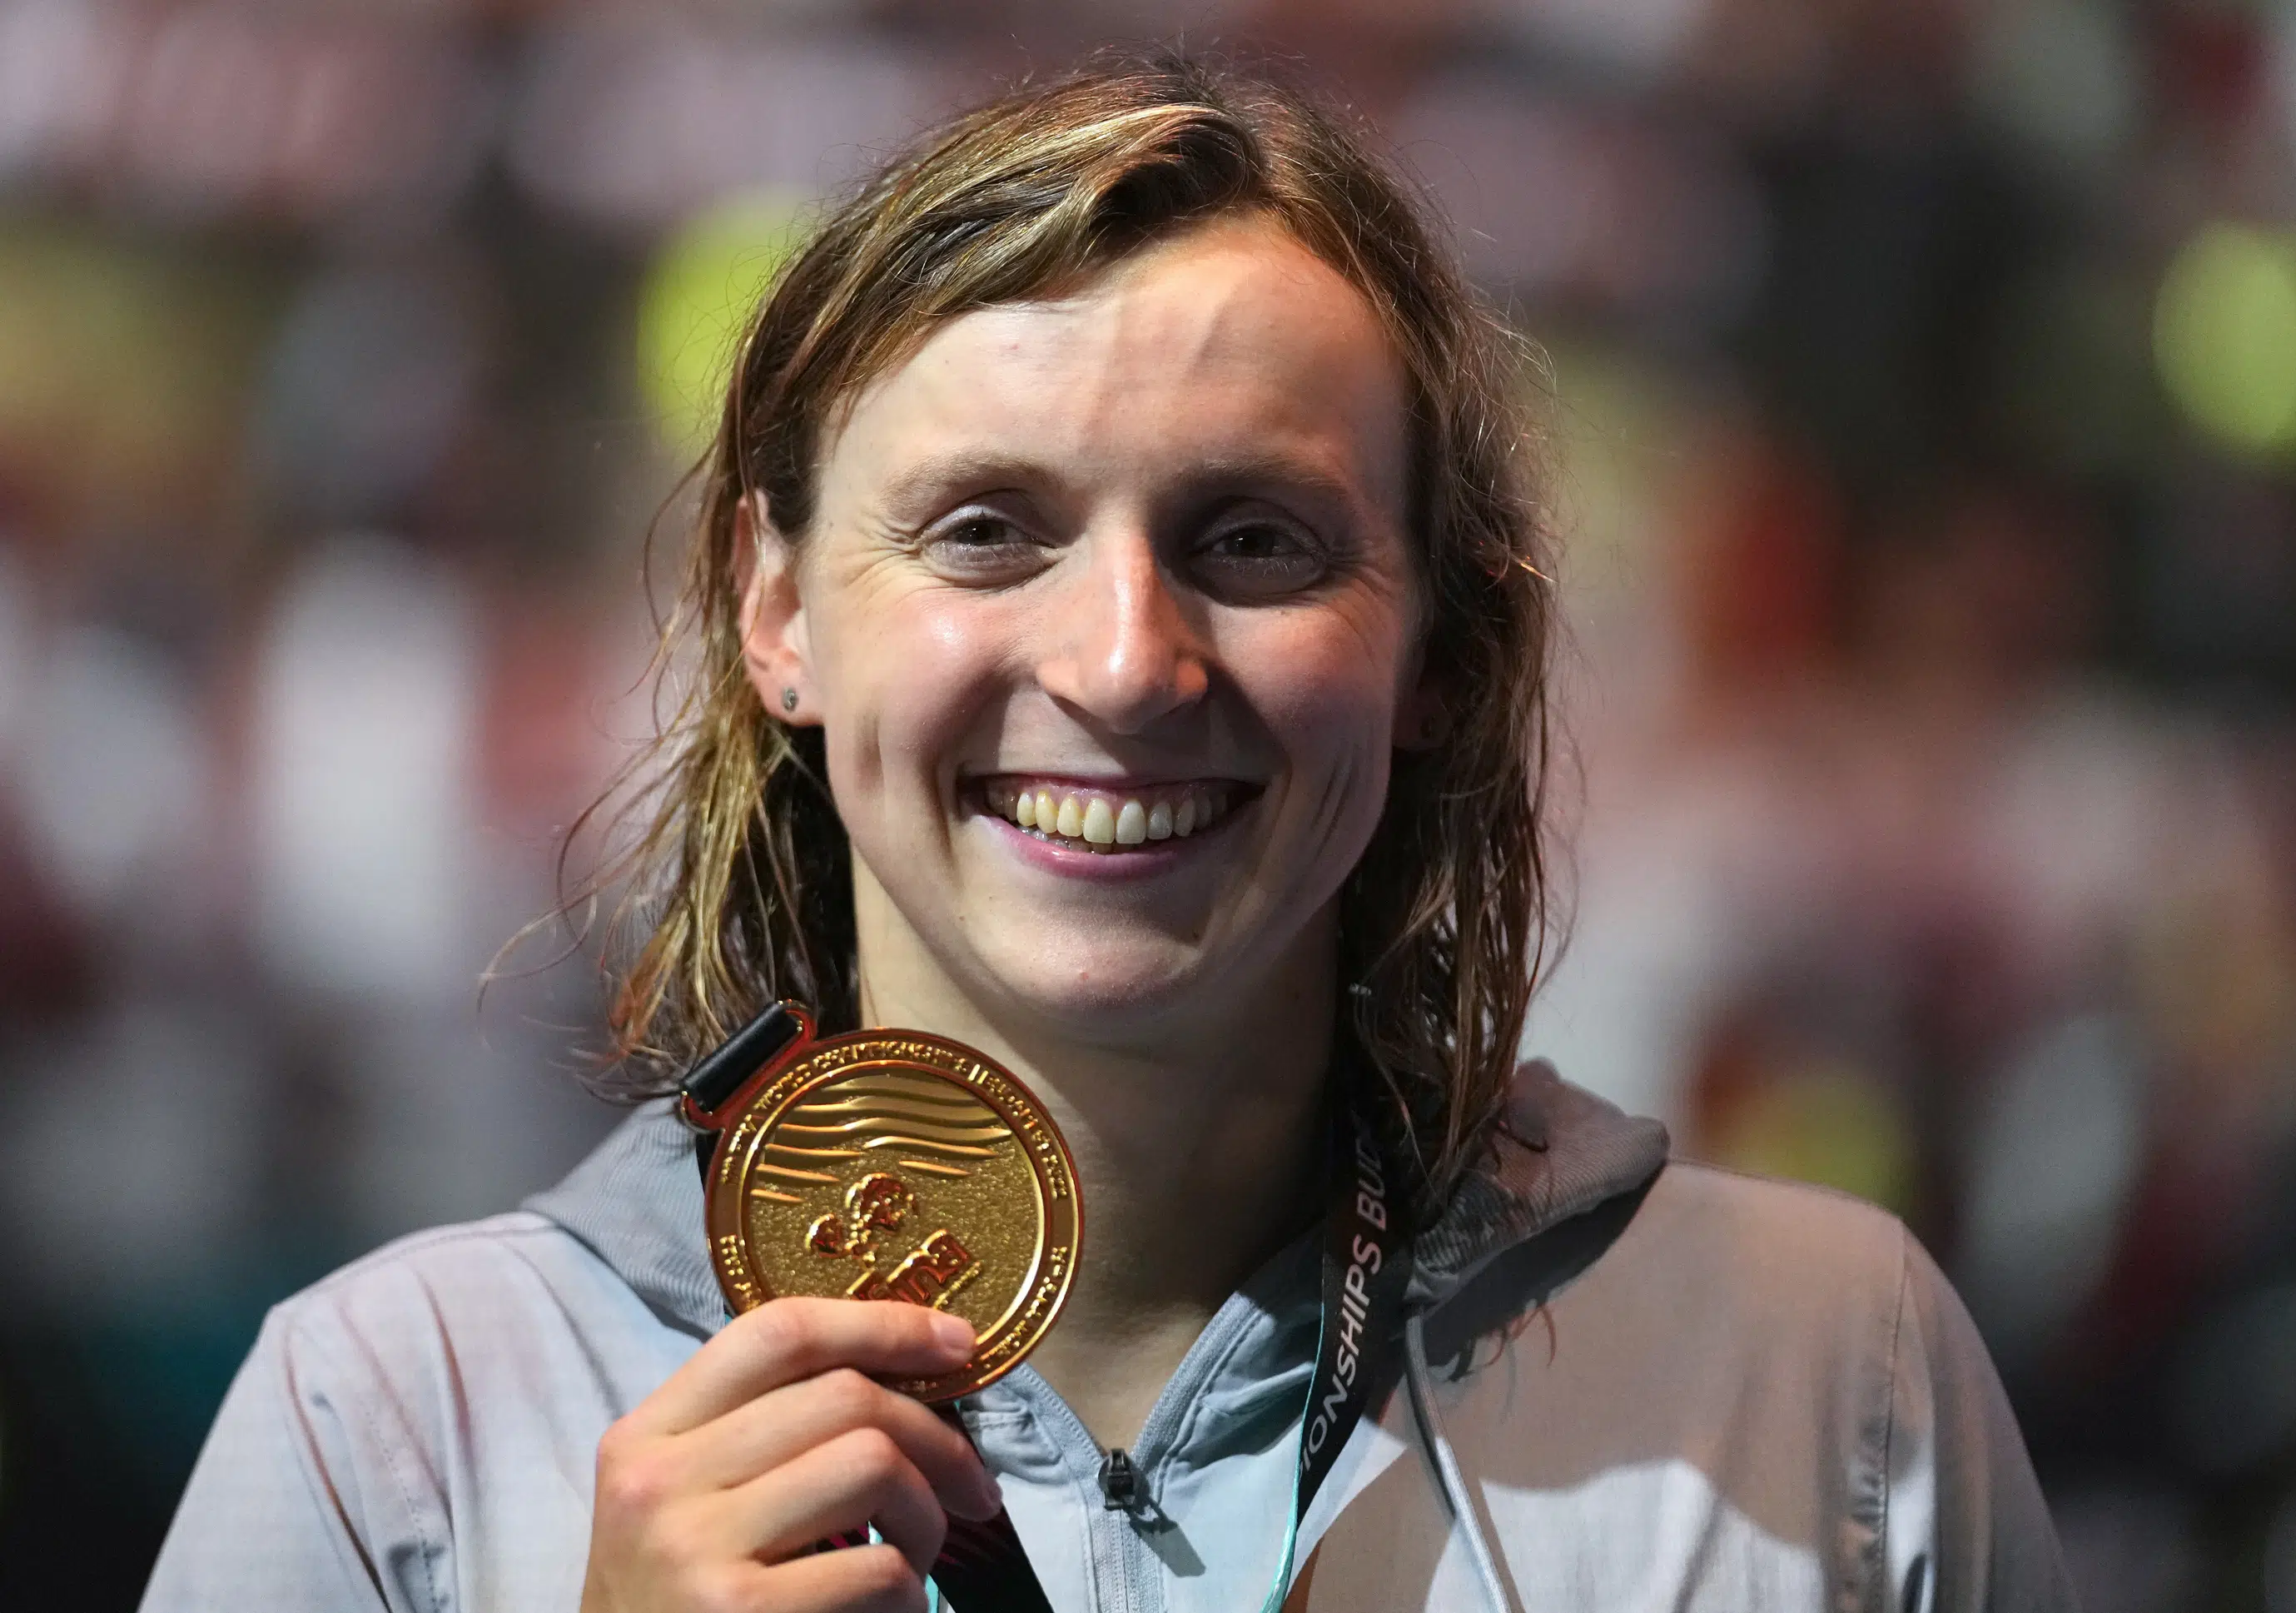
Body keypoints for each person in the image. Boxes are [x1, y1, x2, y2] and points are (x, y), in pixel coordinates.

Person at [142, 55, 2075, 1613]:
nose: (1131, 659)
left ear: (1435, 647)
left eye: (1257, 540)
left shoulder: (1825, 1380)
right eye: (988, 527)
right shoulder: (390, 1418)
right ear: (780, 610)